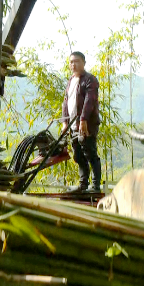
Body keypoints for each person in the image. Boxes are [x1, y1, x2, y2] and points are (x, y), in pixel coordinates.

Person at [61, 51, 102, 193]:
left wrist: (83, 119)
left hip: (87, 125)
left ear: (84, 63)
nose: (73, 64)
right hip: (73, 125)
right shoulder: (71, 81)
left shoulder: (90, 80)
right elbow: (65, 102)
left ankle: (95, 186)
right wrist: (65, 122)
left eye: (77, 61)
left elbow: (89, 101)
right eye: (71, 62)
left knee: (90, 153)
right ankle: (83, 184)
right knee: (78, 155)